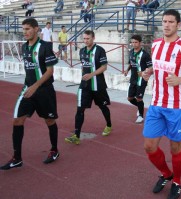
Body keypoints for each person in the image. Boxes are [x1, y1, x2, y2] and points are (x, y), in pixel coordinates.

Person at [141, 9, 181, 199]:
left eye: (171, 22)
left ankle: (177, 181)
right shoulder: (156, 45)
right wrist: (149, 71)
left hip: (177, 107)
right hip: (156, 104)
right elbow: (157, 65)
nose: (166, 25)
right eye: (164, 21)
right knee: (149, 146)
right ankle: (167, 174)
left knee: (175, 148)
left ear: (178, 25)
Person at [0, 18, 59, 170]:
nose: (24, 32)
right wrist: (30, 86)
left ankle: (54, 150)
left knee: (49, 121)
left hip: (44, 91)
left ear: (36, 29)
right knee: (17, 120)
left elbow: (50, 71)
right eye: (23, 29)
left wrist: (36, 86)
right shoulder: (25, 47)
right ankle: (17, 157)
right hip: (28, 89)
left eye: (27, 29)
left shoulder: (45, 47)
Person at [65, 30, 112, 145]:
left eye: (88, 39)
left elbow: (104, 67)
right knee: (80, 109)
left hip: (98, 85)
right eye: (84, 39)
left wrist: (91, 74)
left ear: (93, 38)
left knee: (103, 106)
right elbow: (84, 66)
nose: (86, 41)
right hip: (85, 86)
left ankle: (109, 125)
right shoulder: (82, 51)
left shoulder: (100, 50)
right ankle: (76, 135)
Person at [124, 34, 152, 123]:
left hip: (142, 80)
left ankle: (140, 115)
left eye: (136, 42)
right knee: (129, 98)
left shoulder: (145, 55)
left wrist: (145, 73)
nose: (133, 44)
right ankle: (140, 108)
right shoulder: (131, 52)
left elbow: (151, 67)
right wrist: (127, 70)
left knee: (139, 98)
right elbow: (131, 63)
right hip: (133, 79)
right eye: (132, 42)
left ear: (140, 43)